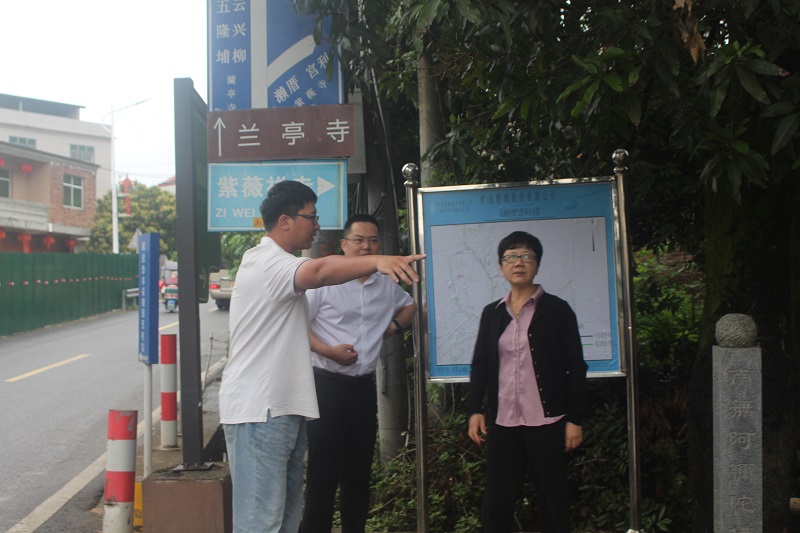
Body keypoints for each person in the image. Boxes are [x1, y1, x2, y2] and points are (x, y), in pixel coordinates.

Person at [219, 181, 424, 533]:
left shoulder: (281, 264)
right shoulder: (267, 262)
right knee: (260, 523)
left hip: (284, 409)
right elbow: (320, 272)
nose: (317, 225)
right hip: (260, 412)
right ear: (285, 221)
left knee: (284, 522)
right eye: (311, 217)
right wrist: (377, 260)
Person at [302, 214, 417, 533]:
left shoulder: (386, 283)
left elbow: (410, 306)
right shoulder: (324, 281)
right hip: (326, 387)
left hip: (363, 389)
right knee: (323, 476)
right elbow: (297, 326)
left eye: (373, 241)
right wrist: (328, 350)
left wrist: (391, 329)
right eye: (359, 240)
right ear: (344, 245)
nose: (367, 247)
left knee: (359, 474)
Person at [467, 231, 588, 533]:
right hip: (504, 424)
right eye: (510, 257)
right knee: (497, 502)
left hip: (548, 423)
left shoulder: (558, 310)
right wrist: (475, 409)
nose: (518, 263)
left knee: (553, 499)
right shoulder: (492, 313)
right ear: (501, 267)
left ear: (537, 264)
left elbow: (576, 366)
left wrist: (575, 419)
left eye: (526, 256)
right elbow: (480, 364)